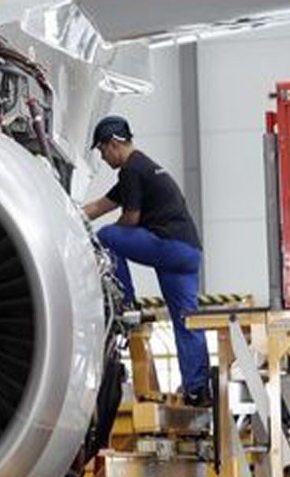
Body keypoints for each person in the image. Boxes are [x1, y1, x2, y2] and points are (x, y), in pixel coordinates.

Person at [84, 116, 210, 406]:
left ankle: (124, 302)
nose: (103, 158)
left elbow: (130, 219)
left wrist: (106, 233)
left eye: (103, 151)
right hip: (188, 253)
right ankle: (198, 390)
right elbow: (99, 206)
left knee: (106, 236)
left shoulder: (131, 170)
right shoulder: (144, 168)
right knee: (186, 320)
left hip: (169, 246)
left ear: (115, 143)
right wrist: (66, 215)